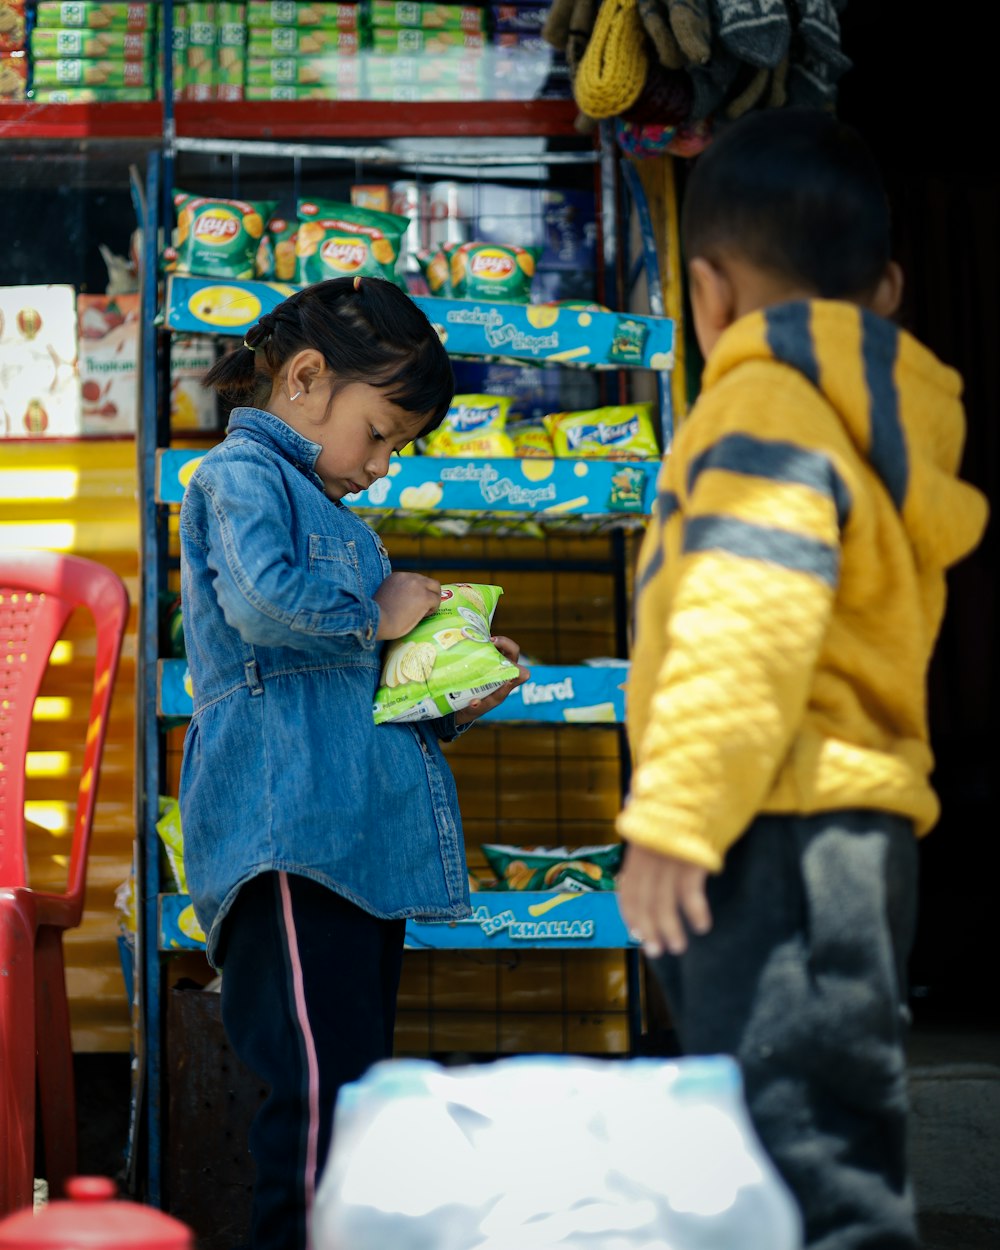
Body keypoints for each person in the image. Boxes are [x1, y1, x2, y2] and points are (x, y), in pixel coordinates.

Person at [616, 109, 989, 1249]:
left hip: (771, 825)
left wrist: (675, 815)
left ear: (707, 293)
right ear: (882, 292)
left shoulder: (761, 410)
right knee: (825, 1133)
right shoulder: (873, 425)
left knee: (800, 1162)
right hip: (849, 829)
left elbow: (744, 621)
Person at [177, 275, 527, 1250]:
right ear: (303, 378)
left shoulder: (349, 527)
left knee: (357, 1098)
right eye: (377, 434)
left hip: (359, 845)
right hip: (287, 841)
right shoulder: (237, 477)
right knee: (318, 1104)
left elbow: (367, 684)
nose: (380, 465)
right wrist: (378, 614)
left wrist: (449, 681)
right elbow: (258, 603)